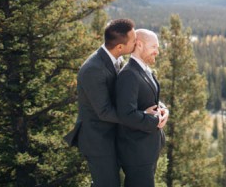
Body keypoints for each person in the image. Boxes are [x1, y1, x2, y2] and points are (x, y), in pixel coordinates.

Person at [64, 18, 146, 186]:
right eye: (134, 40)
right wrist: (140, 117)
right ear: (120, 47)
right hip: (98, 140)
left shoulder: (116, 59)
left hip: (113, 135)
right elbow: (104, 111)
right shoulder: (93, 69)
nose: (137, 42)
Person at [116, 28, 169, 187]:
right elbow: (126, 114)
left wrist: (164, 110)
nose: (157, 52)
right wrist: (155, 120)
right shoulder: (129, 74)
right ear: (139, 45)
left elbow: (150, 99)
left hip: (148, 150)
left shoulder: (145, 70)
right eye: (154, 47)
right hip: (137, 154)